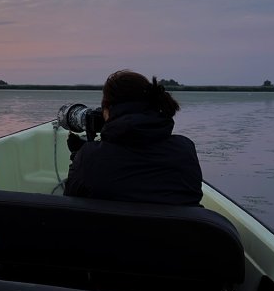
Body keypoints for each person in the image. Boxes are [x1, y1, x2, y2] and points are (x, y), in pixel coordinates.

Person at [63, 69, 203, 206]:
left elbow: (72, 204)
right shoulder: (185, 150)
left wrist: (79, 156)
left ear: (108, 111)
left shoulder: (89, 158)